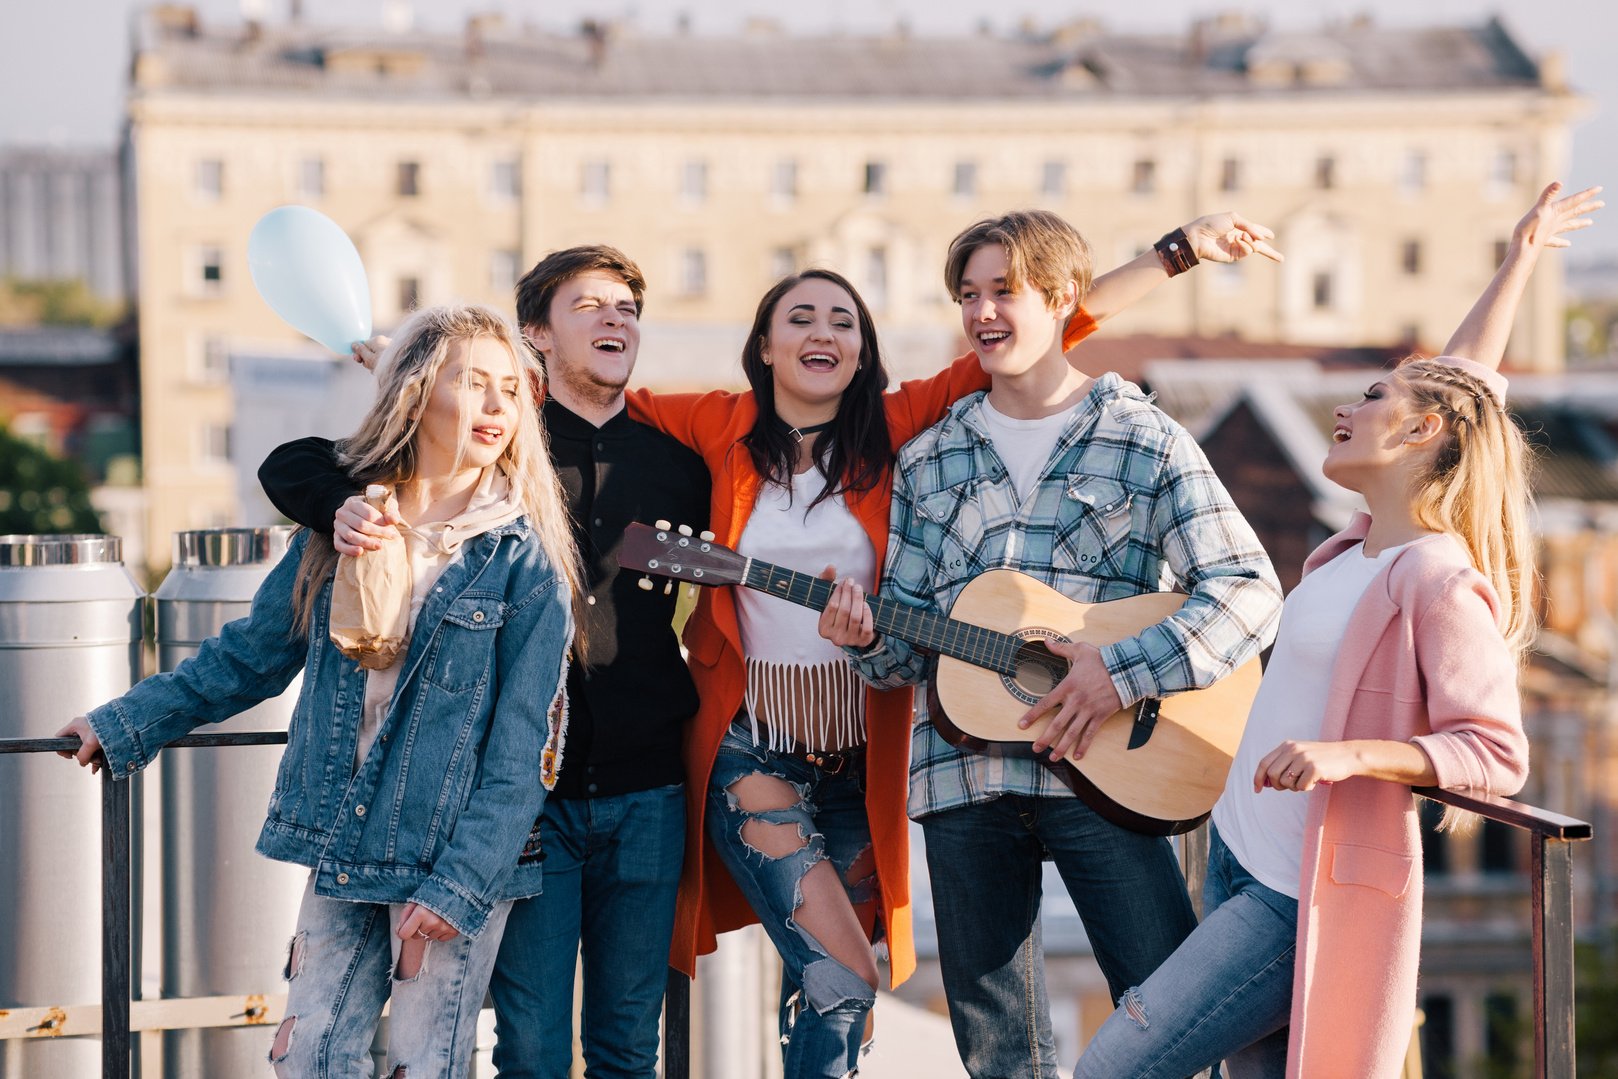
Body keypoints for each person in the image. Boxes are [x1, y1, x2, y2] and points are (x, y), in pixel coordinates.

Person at [626, 211, 1280, 1079]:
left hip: (1119, 772)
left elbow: (1249, 588)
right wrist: (864, 639)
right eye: (969, 295)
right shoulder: (931, 454)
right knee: (1000, 1054)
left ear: (1061, 300)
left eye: (1003, 291)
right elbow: (906, 650)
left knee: (1165, 1027)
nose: (983, 312)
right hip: (964, 780)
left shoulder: (1142, 435)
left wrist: (1119, 671)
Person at [1069, 180, 1603, 1079]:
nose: (1346, 409)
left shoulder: (1436, 576)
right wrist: (1519, 260)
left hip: (1294, 895)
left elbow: (1496, 751)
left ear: (1420, 432)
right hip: (1240, 858)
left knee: (1113, 1065)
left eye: (1371, 396)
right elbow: (1466, 387)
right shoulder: (1351, 549)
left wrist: (1349, 755)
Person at [57, 304, 582, 1076]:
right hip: (347, 833)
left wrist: (461, 883)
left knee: (423, 1066)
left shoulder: (525, 563)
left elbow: (523, 748)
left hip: (449, 863)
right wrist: (127, 720)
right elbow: (250, 657)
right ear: (416, 392)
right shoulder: (347, 525)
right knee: (309, 1059)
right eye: (474, 382)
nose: (499, 407)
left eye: (511, 388)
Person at [256, 246, 710, 1079]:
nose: (617, 318)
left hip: (650, 790)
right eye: (591, 305)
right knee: (531, 1050)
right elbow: (298, 463)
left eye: (629, 307)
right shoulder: (504, 454)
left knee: (626, 1045)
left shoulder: (679, 464)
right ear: (535, 331)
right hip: (526, 808)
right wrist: (341, 499)